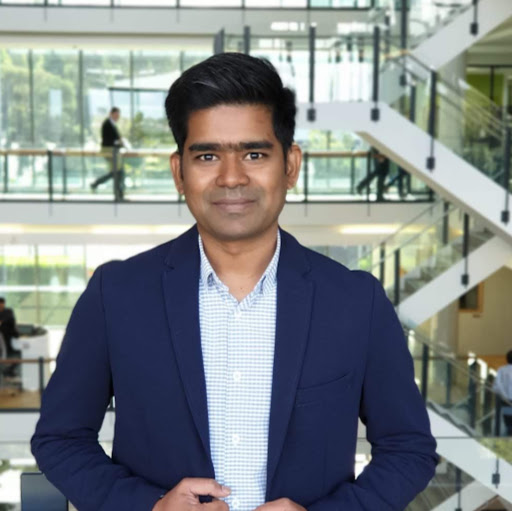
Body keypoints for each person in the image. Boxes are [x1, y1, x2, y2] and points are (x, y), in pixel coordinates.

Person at [31, 53, 439, 511]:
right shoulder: (116, 294)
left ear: (291, 166)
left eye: (254, 154)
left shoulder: (355, 301)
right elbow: (61, 439)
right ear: (179, 172)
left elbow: (408, 449)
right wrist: (150, 506)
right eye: (207, 156)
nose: (231, 178)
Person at [90, 106, 125, 200]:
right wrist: (118, 143)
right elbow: (109, 140)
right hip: (109, 151)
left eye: (118, 115)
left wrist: (119, 142)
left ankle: (96, 184)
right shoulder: (107, 124)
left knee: (116, 172)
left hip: (113, 151)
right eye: (116, 115)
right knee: (118, 171)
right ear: (111, 114)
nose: (117, 117)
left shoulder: (112, 124)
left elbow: (116, 138)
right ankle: (118, 194)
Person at [493, 350, 512, 436]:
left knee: (507, 422)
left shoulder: (502, 370)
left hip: (505, 401)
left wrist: (504, 396)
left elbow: (497, 386)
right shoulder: (502, 370)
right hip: (507, 401)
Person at [0, 297, 20, 377]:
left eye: (2, 304)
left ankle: (7, 368)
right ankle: (6, 369)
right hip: (3, 336)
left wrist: (2, 322)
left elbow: (10, 320)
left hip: (8, 335)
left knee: (6, 351)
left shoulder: (8, 311)